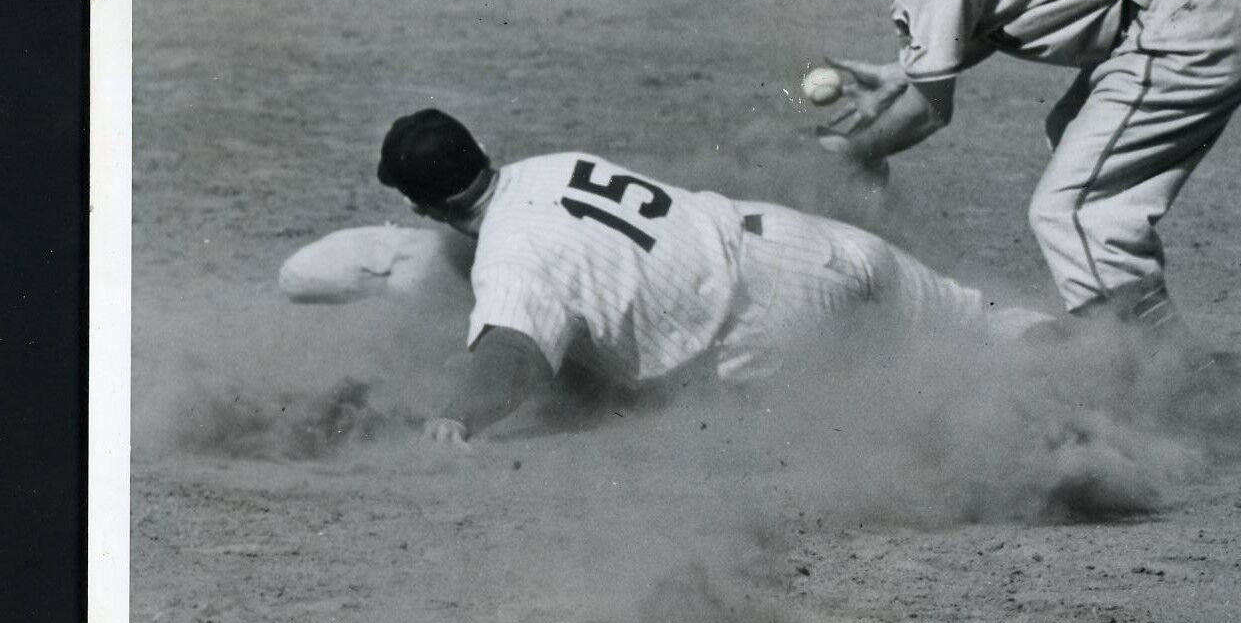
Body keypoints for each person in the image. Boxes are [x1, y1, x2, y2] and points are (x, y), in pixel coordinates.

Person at [292, 108, 1053, 445]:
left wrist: (456, 416)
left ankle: (1037, 441)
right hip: (805, 240)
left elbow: (512, 360)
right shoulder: (554, 166)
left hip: (770, 329)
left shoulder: (510, 257)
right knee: (982, 327)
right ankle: (1131, 370)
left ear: (422, 205)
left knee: (883, 418)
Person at [799, 0, 1241, 348]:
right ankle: (1156, 348)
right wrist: (901, 73)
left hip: (1192, 16)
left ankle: (1180, 382)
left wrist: (852, 150)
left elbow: (928, 111)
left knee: (1072, 210)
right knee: (1076, 139)